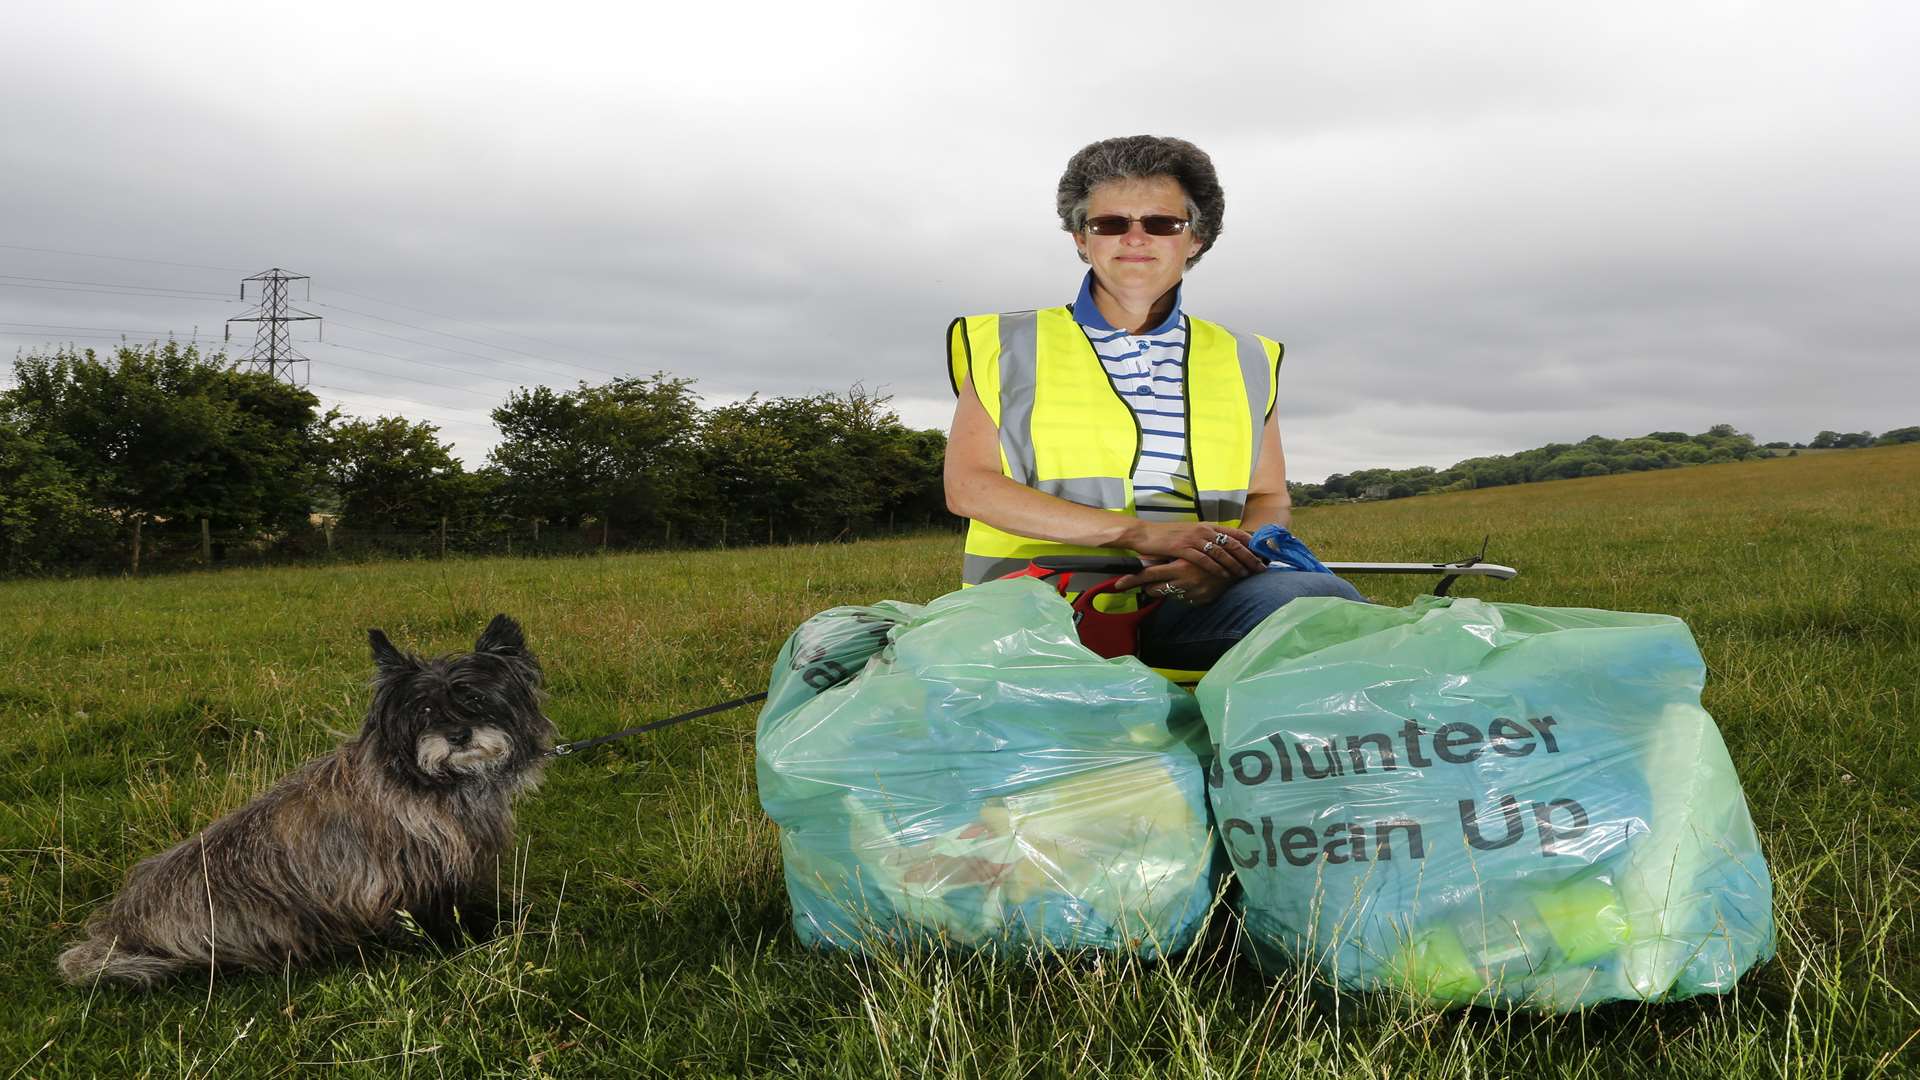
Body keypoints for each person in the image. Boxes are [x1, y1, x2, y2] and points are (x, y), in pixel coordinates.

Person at [943, 135, 1364, 671]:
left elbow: (1268, 497)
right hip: (1038, 608)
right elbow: (969, 487)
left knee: (1319, 604)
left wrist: (1219, 565)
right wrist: (1140, 533)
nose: (1135, 238)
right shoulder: (1003, 343)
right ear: (1080, 238)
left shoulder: (1248, 356)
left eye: (1162, 224)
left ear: (1195, 239)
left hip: (1196, 599)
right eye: (1111, 224)